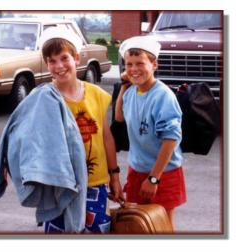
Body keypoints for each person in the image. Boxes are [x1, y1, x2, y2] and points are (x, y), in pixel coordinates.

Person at [39, 27, 124, 234]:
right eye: (51, 60)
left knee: (96, 232)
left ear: (76, 58)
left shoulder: (96, 94)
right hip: (59, 185)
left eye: (64, 58)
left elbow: (106, 137)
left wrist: (114, 176)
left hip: (95, 184)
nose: (58, 66)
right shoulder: (44, 98)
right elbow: (31, 140)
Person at [115, 35, 187, 229]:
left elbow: (171, 138)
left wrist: (154, 178)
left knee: (162, 224)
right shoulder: (131, 92)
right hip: (137, 169)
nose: (133, 69)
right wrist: (124, 85)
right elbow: (119, 116)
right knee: (139, 224)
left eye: (140, 63)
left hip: (163, 172)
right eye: (129, 64)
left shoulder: (163, 96)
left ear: (154, 64)